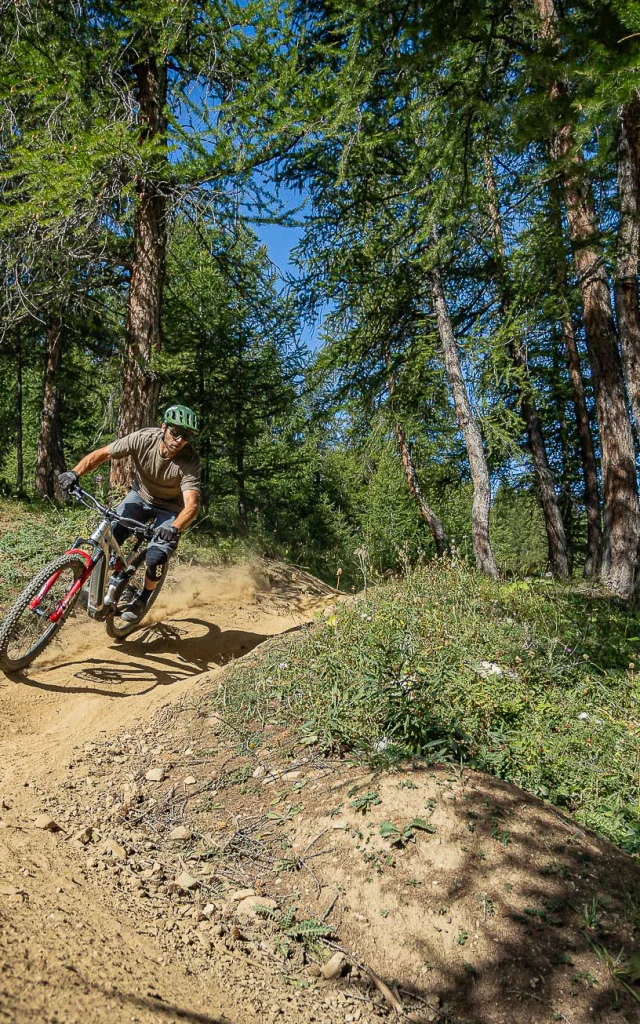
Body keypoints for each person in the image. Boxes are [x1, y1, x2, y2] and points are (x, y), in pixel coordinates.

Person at [58, 405, 201, 623]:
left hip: (171, 509)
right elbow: (103, 454)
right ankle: (100, 583)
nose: (180, 440)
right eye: (175, 433)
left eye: (187, 436)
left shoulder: (189, 460)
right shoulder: (143, 438)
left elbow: (191, 504)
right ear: (164, 428)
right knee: (110, 536)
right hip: (140, 496)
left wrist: (174, 528)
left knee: (156, 556)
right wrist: (74, 472)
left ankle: (143, 598)